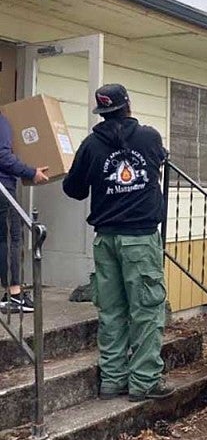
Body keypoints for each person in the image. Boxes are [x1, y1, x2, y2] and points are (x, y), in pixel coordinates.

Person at [63, 83, 174, 401]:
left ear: (102, 111)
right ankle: (144, 382)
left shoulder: (90, 145)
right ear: (128, 105)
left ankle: (112, 380)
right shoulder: (149, 137)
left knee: (111, 311)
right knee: (147, 311)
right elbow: (159, 161)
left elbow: (74, 189)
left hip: (106, 239)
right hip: (140, 239)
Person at [0, 113, 48, 314]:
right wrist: (31, 172)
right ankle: (14, 294)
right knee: (10, 238)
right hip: (2, 187)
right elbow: (3, 156)